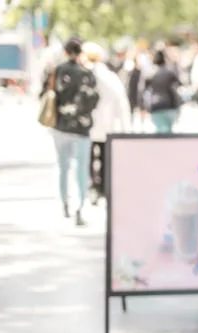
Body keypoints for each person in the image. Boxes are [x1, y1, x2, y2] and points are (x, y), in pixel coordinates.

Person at [43, 37, 100, 226]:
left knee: (63, 166)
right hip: (81, 127)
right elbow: (94, 99)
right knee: (81, 168)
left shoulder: (58, 70)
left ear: (66, 51)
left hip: (60, 125)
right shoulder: (86, 73)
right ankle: (79, 207)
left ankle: (64, 203)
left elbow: (48, 93)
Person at [82, 42, 131, 204]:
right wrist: (125, 126)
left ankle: (92, 186)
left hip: (88, 125)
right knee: (104, 157)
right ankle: (102, 186)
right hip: (106, 124)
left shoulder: (84, 74)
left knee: (88, 157)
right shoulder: (109, 76)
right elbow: (121, 102)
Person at [144, 50, 182, 133]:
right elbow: (178, 86)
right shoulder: (170, 72)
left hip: (156, 105)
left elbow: (144, 91)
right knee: (167, 131)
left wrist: (144, 106)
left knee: (160, 131)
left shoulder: (150, 73)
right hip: (169, 105)